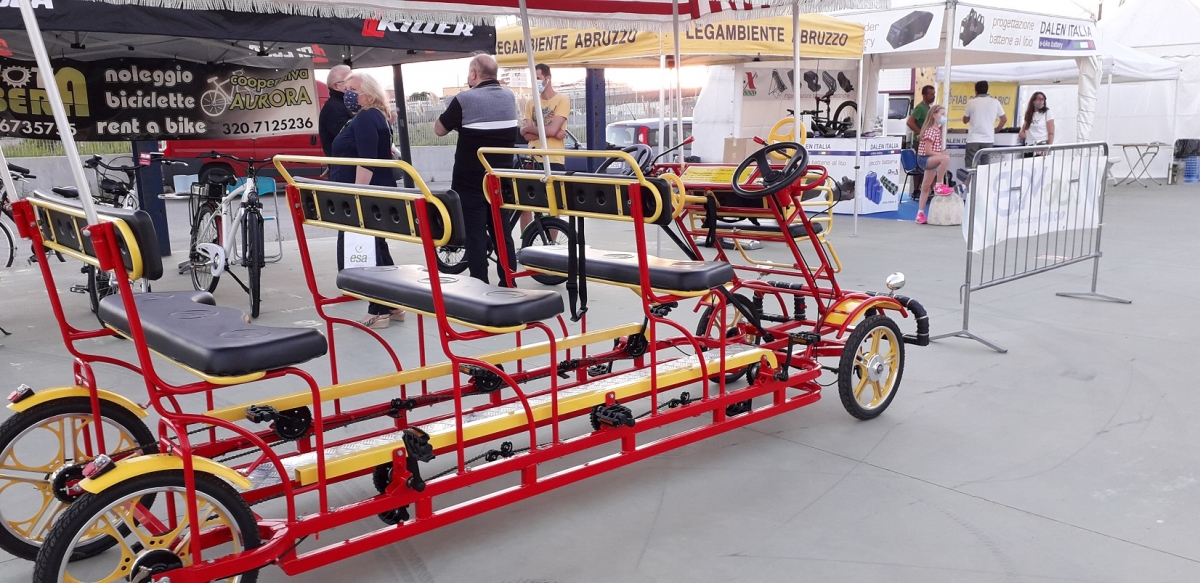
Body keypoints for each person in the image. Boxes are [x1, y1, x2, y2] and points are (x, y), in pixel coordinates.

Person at [434, 54, 520, 286]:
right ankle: (509, 282)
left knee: (475, 235)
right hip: (500, 180)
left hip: (470, 181)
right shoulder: (509, 96)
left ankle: (480, 285)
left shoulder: (464, 99)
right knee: (502, 232)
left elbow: (439, 130)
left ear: (473, 73)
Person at [330, 70, 404, 329]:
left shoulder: (365, 118)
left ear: (369, 94)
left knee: (370, 249)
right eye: (346, 88)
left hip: (366, 195)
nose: (347, 93)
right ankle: (392, 304)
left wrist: (356, 196)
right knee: (378, 248)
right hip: (375, 194)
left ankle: (378, 310)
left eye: (353, 89)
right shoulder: (375, 116)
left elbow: (367, 161)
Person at [519, 63, 570, 229]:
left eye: (538, 78)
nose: (536, 82)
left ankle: (552, 242)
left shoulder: (562, 100)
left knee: (553, 206)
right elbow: (526, 134)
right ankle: (527, 240)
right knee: (525, 206)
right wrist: (552, 132)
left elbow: (545, 129)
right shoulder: (530, 103)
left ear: (547, 78)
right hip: (533, 158)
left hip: (554, 158)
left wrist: (549, 130)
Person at [961, 80, 1007, 191]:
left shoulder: (971, 102)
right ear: (987, 89)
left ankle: (970, 190)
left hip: (973, 139)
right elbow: (1004, 119)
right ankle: (983, 191)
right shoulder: (995, 102)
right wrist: (996, 129)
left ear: (976, 90)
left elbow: (965, 120)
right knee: (985, 168)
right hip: (988, 139)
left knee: (971, 168)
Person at [914, 105, 951, 225]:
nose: (944, 117)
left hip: (931, 159)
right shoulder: (930, 131)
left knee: (925, 187)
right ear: (934, 115)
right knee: (945, 158)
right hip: (925, 158)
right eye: (942, 114)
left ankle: (920, 213)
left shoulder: (937, 130)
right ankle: (939, 185)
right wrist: (941, 154)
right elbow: (928, 151)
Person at [318, 64, 353, 157]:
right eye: (349, 79)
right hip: (345, 163)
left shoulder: (343, 104)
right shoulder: (334, 108)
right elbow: (349, 139)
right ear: (336, 86)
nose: (354, 83)